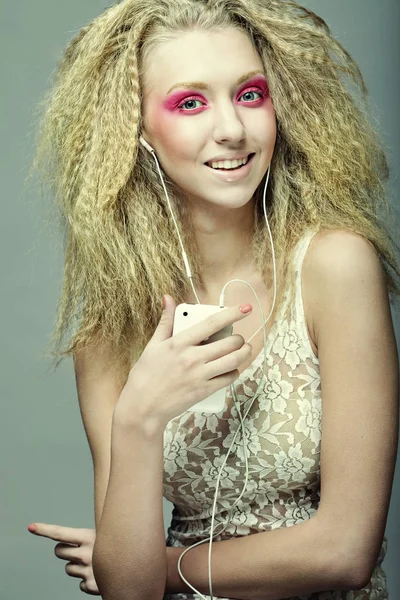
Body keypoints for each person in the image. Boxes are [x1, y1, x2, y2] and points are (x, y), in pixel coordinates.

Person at [27, 0, 400, 598]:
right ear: (135, 131)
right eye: (191, 103)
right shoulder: (111, 329)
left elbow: (345, 550)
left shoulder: (335, 266)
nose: (232, 127)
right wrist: (141, 417)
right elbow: (127, 592)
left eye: (250, 94)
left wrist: (164, 564)